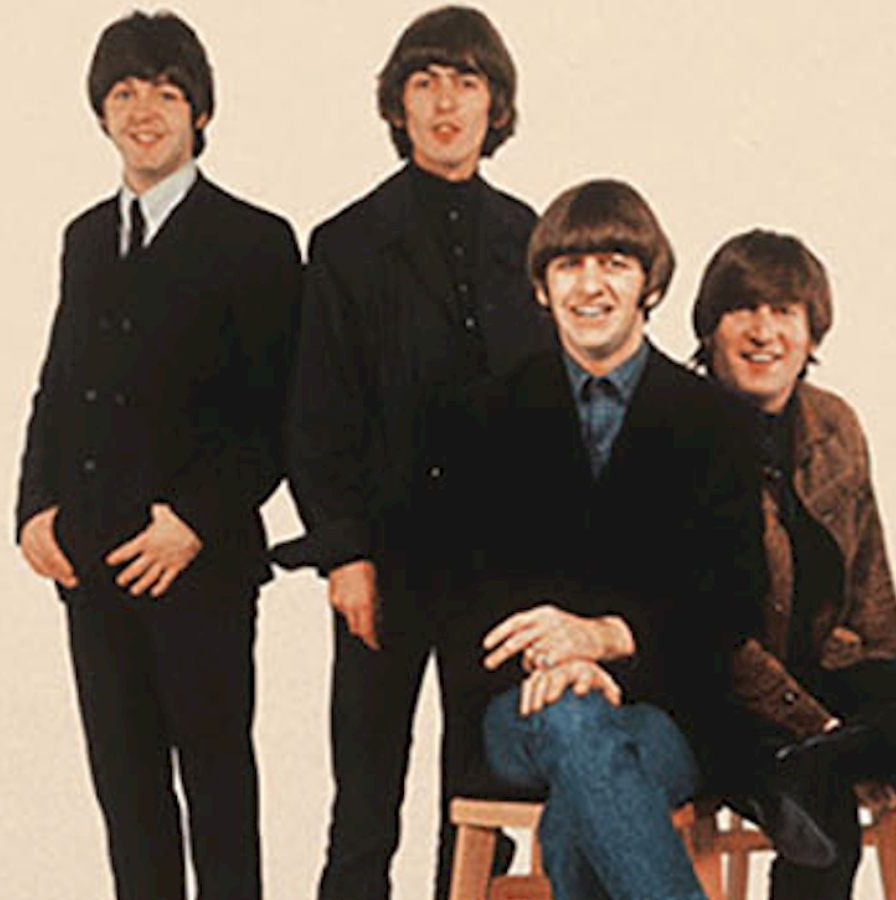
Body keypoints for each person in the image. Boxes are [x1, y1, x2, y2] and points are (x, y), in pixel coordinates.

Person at [15, 12, 301, 900]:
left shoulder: (255, 240)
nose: (145, 111)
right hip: (93, 564)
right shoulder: (84, 238)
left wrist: (195, 522)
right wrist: (33, 509)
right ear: (102, 111)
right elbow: (58, 386)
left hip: (198, 567)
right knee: (128, 796)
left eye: (168, 93)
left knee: (217, 792)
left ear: (200, 113)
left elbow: (280, 416)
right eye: (125, 92)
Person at [276, 7, 552, 898]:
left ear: (495, 105)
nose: (445, 103)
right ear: (397, 105)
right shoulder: (347, 243)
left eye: (467, 83)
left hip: (497, 571)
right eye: (424, 82)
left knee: (482, 804)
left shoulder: (533, 238)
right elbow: (317, 418)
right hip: (384, 564)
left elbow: (552, 413)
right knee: (364, 807)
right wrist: (344, 556)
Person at [432, 179, 768, 900]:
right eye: (569, 265)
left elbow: (737, 596)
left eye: (614, 263)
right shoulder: (481, 416)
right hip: (519, 707)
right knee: (575, 717)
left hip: (668, 712)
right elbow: (458, 592)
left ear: (651, 284)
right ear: (542, 287)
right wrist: (556, 658)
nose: (590, 285)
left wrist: (608, 639)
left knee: (586, 791)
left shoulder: (718, 422)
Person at [692, 228, 896, 900]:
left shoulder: (834, 424)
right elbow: (712, 635)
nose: (764, 331)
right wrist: (825, 731)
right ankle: (817, 762)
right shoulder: (681, 426)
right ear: (710, 327)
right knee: (825, 825)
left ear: (812, 332)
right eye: (743, 309)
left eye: (784, 311)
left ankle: (823, 760)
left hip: (827, 681)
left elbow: (870, 577)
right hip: (726, 704)